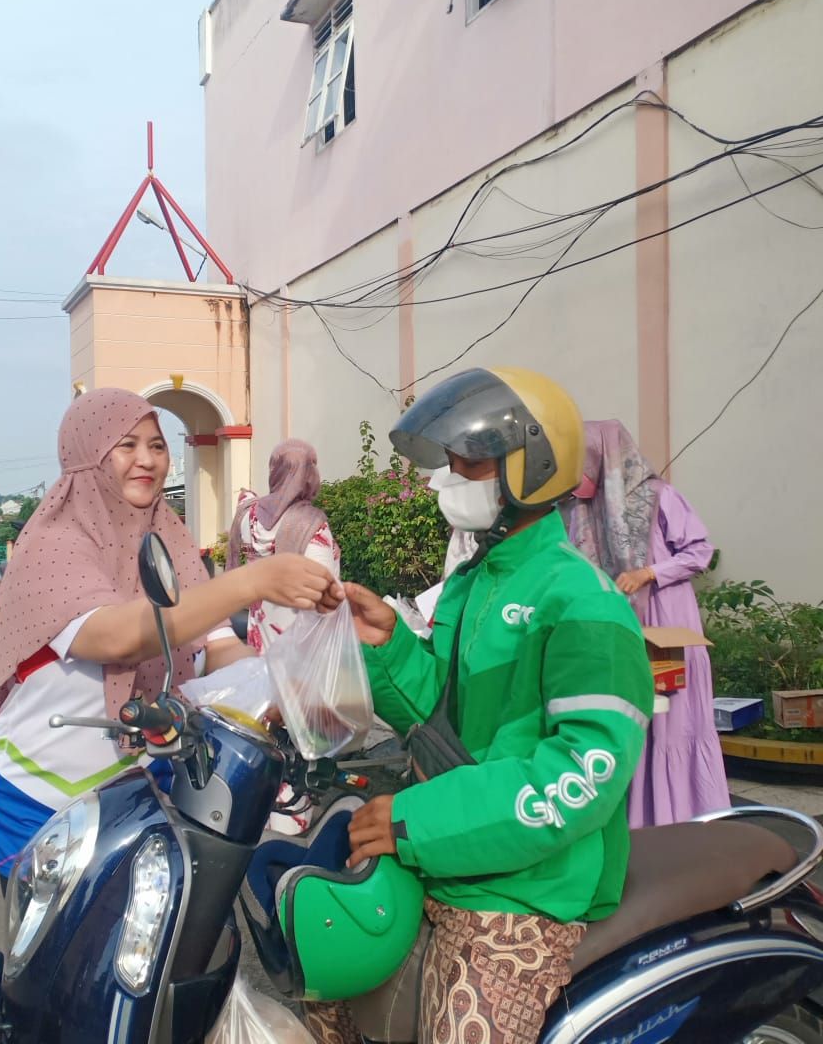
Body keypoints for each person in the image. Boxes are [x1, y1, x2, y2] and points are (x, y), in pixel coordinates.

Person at [305, 367, 654, 1044]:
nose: (446, 480)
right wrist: (387, 643)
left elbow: (582, 776)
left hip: (527, 889)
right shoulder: (474, 581)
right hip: (448, 859)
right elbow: (444, 726)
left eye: (468, 464)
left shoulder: (583, 601)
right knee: (325, 989)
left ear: (533, 467)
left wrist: (414, 820)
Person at [0, 388, 339, 887]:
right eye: (126, 445)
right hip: (37, 794)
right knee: (66, 935)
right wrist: (252, 581)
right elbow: (116, 636)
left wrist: (281, 681)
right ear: (87, 455)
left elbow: (215, 645)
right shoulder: (51, 544)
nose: (148, 459)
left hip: (141, 787)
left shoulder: (167, 539)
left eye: (157, 445)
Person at [567, 419, 730, 828]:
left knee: (673, 723)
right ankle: (640, 823)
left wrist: (649, 573)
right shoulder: (582, 510)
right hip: (620, 628)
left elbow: (699, 552)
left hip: (665, 622)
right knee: (633, 719)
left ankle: (685, 819)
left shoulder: (659, 496)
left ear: (606, 458)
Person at [227, 438, 341, 833]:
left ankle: (256, 795)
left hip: (261, 626)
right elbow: (324, 584)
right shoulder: (310, 523)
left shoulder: (249, 516)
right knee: (296, 721)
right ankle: (290, 810)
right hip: (300, 634)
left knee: (264, 711)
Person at [227, 438, 341, 653]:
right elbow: (324, 589)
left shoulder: (248, 514)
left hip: (260, 633)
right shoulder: (310, 523)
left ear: (275, 471)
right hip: (300, 646)